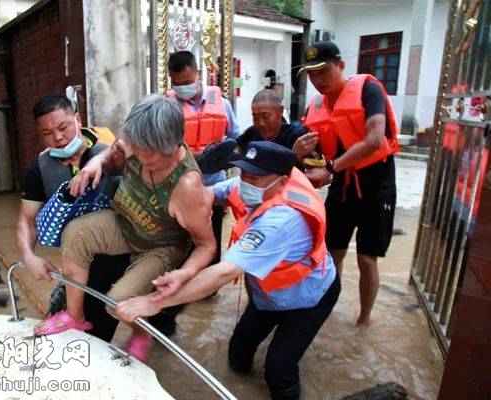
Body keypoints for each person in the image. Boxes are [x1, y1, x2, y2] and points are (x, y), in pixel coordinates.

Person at [116, 141, 340, 400]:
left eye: (254, 177)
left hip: (307, 299)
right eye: (243, 172)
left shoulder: (281, 221)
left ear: (281, 182)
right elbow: (212, 193)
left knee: (278, 370)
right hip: (267, 296)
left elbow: (222, 273)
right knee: (238, 357)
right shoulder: (254, 186)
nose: (245, 181)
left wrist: (155, 302)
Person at [34, 95, 216, 362]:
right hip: (125, 222)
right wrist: (97, 163)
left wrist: (185, 273)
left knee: (118, 303)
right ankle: (75, 317)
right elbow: (114, 150)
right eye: (136, 148)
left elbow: (207, 245)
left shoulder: (187, 187)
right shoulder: (134, 142)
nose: (139, 157)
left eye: (149, 154)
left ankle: (141, 333)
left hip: (160, 246)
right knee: (75, 233)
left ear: (172, 145)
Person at [17, 95, 134, 342]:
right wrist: (29, 256)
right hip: (75, 260)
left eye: (63, 127)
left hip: (117, 254)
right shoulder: (38, 169)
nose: (58, 138)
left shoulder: (109, 153)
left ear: (78, 119)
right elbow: (27, 220)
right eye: (47, 133)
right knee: (58, 334)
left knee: (98, 334)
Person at [300, 41, 399, 326]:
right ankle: (326, 311)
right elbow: (315, 155)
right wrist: (305, 159)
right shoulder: (316, 105)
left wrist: (330, 169)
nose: (317, 80)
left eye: (323, 71)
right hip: (342, 185)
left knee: (367, 258)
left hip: (377, 183)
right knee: (332, 252)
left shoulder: (368, 89)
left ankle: (364, 319)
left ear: (341, 65)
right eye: (311, 74)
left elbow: (374, 139)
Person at [167, 50, 240, 268]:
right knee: (181, 237)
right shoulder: (167, 107)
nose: (183, 88)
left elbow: (236, 137)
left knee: (212, 235)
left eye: (188, 81)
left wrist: (226, 160)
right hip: (179, 184)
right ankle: (182, 281)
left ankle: (207, 287)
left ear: (198, 74)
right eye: (177, 84)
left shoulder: (222, 104)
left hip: (213, 183)